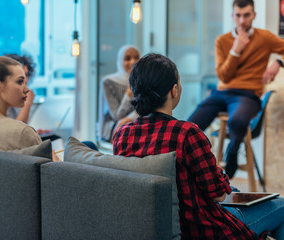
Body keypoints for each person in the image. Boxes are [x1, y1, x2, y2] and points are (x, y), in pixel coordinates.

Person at [113, 53, 284, 239]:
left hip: (154, 227)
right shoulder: (186, 133)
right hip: (203, 229)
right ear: (174, 90)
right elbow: (218, 193)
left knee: (236, 194)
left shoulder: (122, 134)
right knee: (280, 205)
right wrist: (218, 173)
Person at [188, 0, 284, 178]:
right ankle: (193, 167)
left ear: (254, 15)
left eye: (246, 15)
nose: (242, 21)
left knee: (238, 121)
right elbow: (223, 76)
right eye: (238, 15)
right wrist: (236, 50)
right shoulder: (222, 41)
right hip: (222, 93)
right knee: (190, 125)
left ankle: (232, 151)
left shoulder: (265, 38)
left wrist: (279, 62)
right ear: (232, 16)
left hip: (248, 95)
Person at [97, 45, 140, 143]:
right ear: (120, 60)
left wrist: (128, 119)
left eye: (136, 58)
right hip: (115, 129)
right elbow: (117, 116)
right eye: (127, 58)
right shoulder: (108, 82)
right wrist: (129, 93)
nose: (133, 62)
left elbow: (146, 108)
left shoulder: (143, 81)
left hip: (135, 125)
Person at [4, 53, 35, 124]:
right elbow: (15, 132)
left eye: (26, 75)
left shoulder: (17, 98)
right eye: (21, 76)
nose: (26, 80)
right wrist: (27, 104)